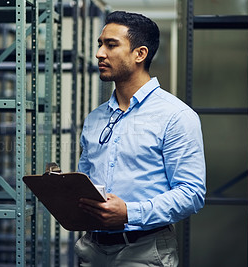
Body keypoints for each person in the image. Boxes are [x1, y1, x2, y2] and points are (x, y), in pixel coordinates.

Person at [75, 11, 206, 267]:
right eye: (100, 44)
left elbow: (191, 194)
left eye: (111, 45)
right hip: (92, 249)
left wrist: (129, 213)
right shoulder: (95, 118)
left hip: (144, 251)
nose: (100, 53)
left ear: (140, 54)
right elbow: (86, 182)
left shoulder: (176, 116)